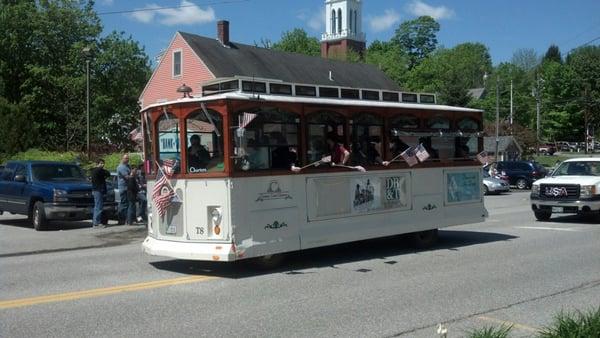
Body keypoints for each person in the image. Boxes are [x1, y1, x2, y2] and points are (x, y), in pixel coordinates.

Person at [90, 159, 110, 228]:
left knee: (97, 206)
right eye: (101, 163)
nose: (102, 165)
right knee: (99, 207)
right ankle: (96, 223)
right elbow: (108, 173)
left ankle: (95, 222)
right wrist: (104, 170)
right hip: (98, 190)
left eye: (103, 163)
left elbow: (107, 174)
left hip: (96, 190)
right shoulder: (98, 170)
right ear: (97, 164)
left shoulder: (94, 170)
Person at [116, 154, 131, 225]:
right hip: (122, 188)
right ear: (122, 159)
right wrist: (133, 174)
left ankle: (127, 219)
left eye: (128, 158)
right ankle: (121, 220)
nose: (127, 160)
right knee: (122, 204)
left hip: (128, 188)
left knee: (127, 204)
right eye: (126, 158)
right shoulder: (121, 167)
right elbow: (127, 177)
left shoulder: (128, 166)